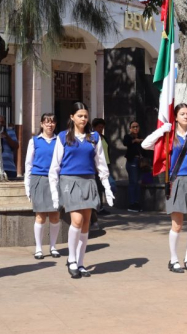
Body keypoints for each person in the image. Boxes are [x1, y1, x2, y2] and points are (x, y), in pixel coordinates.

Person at [49, 102, 114, 279]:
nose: (83, 119)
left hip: (89, 181)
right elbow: (55, 166)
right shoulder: (63, 137)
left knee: (85, 223)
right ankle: (71, 259)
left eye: (85, 116)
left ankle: (80, 262)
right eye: (80, 116)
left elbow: (101, 164)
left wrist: (107, 187)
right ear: (72, 117)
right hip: (70, 181)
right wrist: (55, 193)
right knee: (76, 221)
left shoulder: (94, 137)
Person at [142, 103, 187, 273]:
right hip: (177, 181)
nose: (186, 116)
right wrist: (162, 130)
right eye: (182, 114)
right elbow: (145, 144)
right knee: (177, 225)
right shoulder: (168, 137)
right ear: (176, 117)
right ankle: (173, 259)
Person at [24, 113, 61, 260]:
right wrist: (27, 185)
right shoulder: (34, 141)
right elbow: (28, 164)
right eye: (46, 122)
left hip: (55, 180)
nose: (49, 125)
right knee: (40, 215)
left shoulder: (59, 141)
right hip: (38, 179)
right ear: (41, 124)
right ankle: (38, 248)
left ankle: (53, 246)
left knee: (55, 215)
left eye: (52, 122)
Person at [123, 121, 144, 212]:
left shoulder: (141, 137)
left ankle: (137, 202)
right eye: (133, 127)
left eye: (137, 126)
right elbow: (125, 143)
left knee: (138, 183)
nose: (135, 128)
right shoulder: (128, 137)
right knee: (133, 182)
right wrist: (135, 141)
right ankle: (132, 204)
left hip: (140, 162)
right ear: (130, 128)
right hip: (132, 162)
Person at [0, 115, 19, 179]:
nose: (0, 124)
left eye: (2, 122)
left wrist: (6, 136)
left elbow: (16, 146)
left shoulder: (10, 132)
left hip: (10, 168)